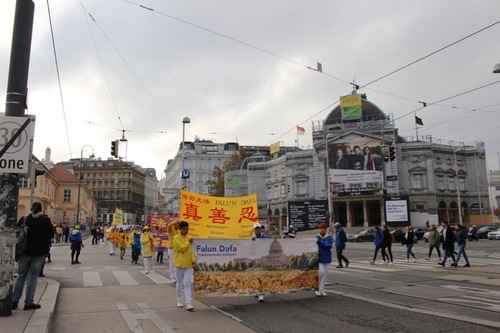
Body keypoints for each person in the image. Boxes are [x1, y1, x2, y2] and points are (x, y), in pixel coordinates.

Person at [12, 201, 55, 311]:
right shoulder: (45, 220)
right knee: (33, 277)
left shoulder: (24, 219)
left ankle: (14, 301)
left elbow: (17, 232)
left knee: (21, 276)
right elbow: (51, 234)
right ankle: (29, 303)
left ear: (31, 208)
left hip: (25, 252)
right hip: (39, 253)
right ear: (41, 209)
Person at [173, 221, 197, 311]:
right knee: (179, 283)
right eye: (184, 229)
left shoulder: (189, 238)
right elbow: (181, 248)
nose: (186, 231)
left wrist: (193, 261)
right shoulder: (176, 238)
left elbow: (191, 251)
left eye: (187, 229)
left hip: (188, 265)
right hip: (179, 264)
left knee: (187, 283)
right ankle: (179, 300)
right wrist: (188, 242)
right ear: (179, 229)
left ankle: (189, 303)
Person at [252, 223, 268, 302]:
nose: (258, 229)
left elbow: (266, 245)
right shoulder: (252, 238)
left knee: (261, 276)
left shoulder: (265, 237)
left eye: (259, 228)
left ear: (261, 229)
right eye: (256, 228)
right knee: (255, 276)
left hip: (263, 259)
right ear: (254, 229)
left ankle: (261, 294)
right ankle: (258, 290)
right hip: (255, 259)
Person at [316, 222, 333, 296]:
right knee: (321, 272)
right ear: (319, 229)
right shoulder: (316, 237)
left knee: (325, 274)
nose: (323, 230)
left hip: (326, 257)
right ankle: (317, 288)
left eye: (324, 228)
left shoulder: (329, 237)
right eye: (321, 228)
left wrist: (321, 242)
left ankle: (321, 289)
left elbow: (329, 246)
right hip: (318, 258)